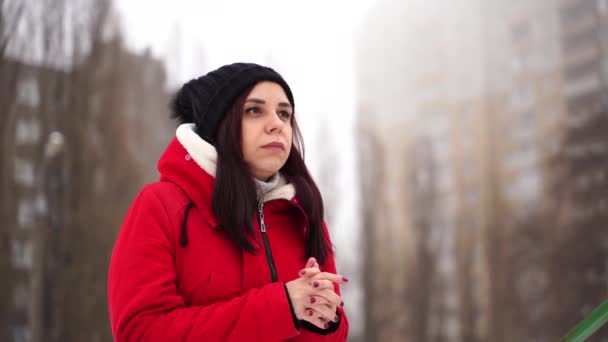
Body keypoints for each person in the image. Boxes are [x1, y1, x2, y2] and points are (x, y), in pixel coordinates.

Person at [108, 62, 349, 341]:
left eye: (284, 113)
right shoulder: (160, 206)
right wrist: (282, 306)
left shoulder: (305, 215)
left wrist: (326, 320)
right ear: (220, 123)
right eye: (254, 110)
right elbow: (141, 333)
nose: (277, 125)